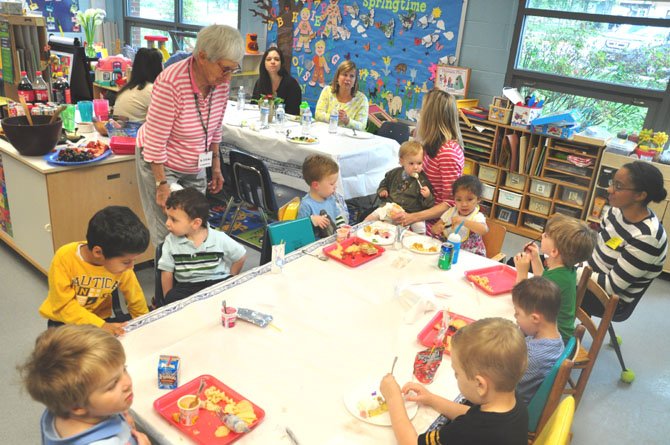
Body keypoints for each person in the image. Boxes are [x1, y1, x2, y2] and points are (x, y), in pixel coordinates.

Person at [135, 24, 244, 247]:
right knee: (169, 232)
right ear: (202, 57)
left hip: (194, 162)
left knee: (196, 227)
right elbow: (155, 141)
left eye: (234, 69)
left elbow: (214, 128)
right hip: (161, 164)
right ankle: (167, 280)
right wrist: (162, 183)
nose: (228, 77)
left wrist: (215, 166)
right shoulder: (170, 82)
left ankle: (196, 278)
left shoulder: (221, 82)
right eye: (225, 69)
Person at [380, 318, 528, 445]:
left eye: (457, 373)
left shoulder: (468, 431)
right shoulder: (513, 401)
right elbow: (472, 414)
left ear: (480, 385)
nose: (455, 376)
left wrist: (393, 399)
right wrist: (432, 399)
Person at [19, 325, 150, 445]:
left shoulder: (59, 407)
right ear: (77, 407)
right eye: (112, 384)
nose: (127, 383)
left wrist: (121, 421)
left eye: (124, 369)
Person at [38, 206, 150, 337]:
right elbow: (63, 306)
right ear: (98, 252)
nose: (131, 267)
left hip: (100, 319)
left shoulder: (123, 265)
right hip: (64, 322)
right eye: (126, 262)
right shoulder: (64, 258)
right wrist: (100, 326)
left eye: (133, 260)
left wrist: (145, 323)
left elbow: (134, 296)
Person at [579, 161, 668, 317]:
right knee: (534, 261)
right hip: (588, 271)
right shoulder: (615, 211)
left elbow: (610, 286)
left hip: (608, 299)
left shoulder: (647, 238)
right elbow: (599, 245)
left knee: (545, 281)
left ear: (640, 195)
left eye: (618, 186)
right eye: (612, 183)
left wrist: (568, 269)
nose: (609, 189)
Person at [514, 213, 596, 342]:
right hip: (559, 332)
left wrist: (522, 272)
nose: (542, 235)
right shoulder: (565, 268)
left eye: (546, 235)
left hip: (550, 340)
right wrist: (535, 258)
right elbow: (542, 280)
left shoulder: (558, 279)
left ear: (554, 251)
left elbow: (521, 301)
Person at [394, 89, 464, 235]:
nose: (420, 114)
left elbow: (451, 204)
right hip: (417, 208)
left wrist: (413, 217)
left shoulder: (448, 153)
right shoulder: (429, 143)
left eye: (423, 110)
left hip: (432, 223)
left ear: (431, 116)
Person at [159, 187, 246, 304]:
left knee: (239, 293)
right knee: (172, 297)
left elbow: (240, 256)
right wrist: (168, 299)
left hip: (217, 282)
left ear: (195, 223)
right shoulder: (170, 241)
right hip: (187, 288)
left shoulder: (218, 238)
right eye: (167, 217)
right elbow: (167, 271)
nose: (167, 223)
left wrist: (232, 276)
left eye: (173, 220)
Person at [512, 277, 565, 406]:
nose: (515, 317)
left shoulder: (533, 357)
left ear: (535, 318)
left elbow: (504, 386)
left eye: (517, 313)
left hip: (513, 406)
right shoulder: (555, 337)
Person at [365, 141, 434, 234]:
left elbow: (428, 205)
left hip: (412, 212)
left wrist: (427, 196)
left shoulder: (423, 181)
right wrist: (383, 190)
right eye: (411, 163)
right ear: (402, 161)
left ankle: (418, 242)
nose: (416, 167)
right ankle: (362, 229)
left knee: (420, 227)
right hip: (391, 207)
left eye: (419, 163)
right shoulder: (394, 173)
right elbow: (384, 183)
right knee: (374, 215)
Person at [432, 175, 489, 256]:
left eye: (469, 199)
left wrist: (464, 221)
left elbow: (484, 230)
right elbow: (434, 228)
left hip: (471, 255)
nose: (464, 204)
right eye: (458, 200)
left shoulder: (477, 216)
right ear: (454, 199)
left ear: (478, 199)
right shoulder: (450, 212)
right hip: (448, 253)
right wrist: (437, 229)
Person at [297, 154, 349, 238]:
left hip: (332, 239)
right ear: (316, 185)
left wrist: (342, 226)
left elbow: (337, 216)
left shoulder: (331, 198)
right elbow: (299, 229)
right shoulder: (306, 205)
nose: (335, 186)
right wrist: (312, 220)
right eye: (332, 184)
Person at [314, 60, 369, 131]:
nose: (348, 79)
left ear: (355, 81)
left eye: (351, 76)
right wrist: (333, 117)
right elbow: (318, 115)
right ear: (337, 77)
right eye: (344, 75)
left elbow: (362, 126)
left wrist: (347, 121)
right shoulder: (327, 91)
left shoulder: (362, 99)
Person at [113, 47, 163, 122]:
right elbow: (161, 120)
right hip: (134, 132)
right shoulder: (152, 90)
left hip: (117, 132)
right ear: (157, 67)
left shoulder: (127, 88)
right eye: (161, 63)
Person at [252, 46, 302, 115]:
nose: (272, 62)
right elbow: (253, 106)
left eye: (276, 59)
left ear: (281, 63)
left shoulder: (292, 84)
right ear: (264, 63)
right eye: (269, 59)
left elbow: (294, 113)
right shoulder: (260, 82)